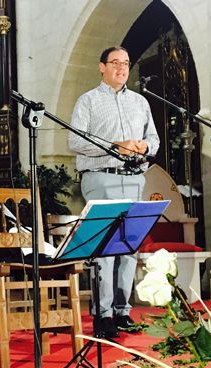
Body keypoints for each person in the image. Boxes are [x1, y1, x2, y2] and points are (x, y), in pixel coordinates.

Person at [68, 46, 160, 339]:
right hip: (101, 178)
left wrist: (146, 147)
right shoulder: (88, 101)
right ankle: (103, 314)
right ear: (102, 66)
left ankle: (122, 312)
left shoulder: (140, 102)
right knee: (106, 250)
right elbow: (75, 141)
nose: (122, 68)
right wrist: (113, 145)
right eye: (115, 63)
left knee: (128, 248)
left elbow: (154, 138)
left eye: (126, 63)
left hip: (133, 179)